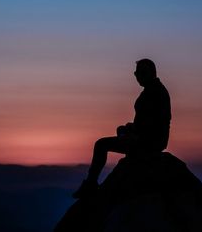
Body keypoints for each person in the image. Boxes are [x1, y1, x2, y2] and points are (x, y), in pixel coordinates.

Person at [72, 58, 171, 199]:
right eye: (136, 73)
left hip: (149, 141)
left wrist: (136, 134)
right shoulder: (151, 90)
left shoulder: (155, 92)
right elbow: (148, 120)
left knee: (101, 144)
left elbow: (155, 122)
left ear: (151, 73)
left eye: (141, 73)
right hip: (147, 138)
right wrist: (132, 128)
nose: (138, 76)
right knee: (121, 130)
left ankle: (90, 183)